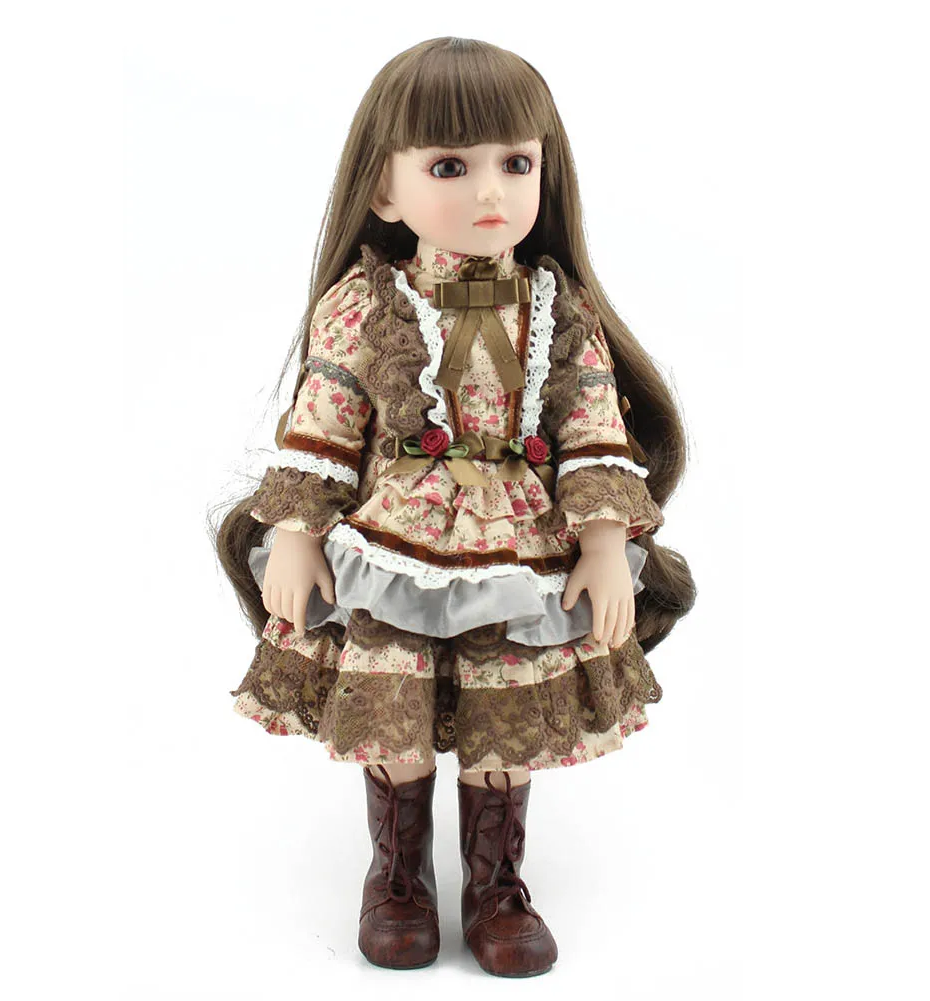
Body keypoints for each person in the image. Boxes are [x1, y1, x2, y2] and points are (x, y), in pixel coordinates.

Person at [214, 36, 696, 977]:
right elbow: (323, 419)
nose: (489, 193)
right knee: (393, 695)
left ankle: (494, 882)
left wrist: (604, 543)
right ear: (384, 190)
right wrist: (298, 535)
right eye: (449, 166)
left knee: (502, 703)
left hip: (518, 546)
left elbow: (591, 423)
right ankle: (397, 875)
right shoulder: (366, 303)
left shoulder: (557, 309)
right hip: (394, 541)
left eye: (515, 164)